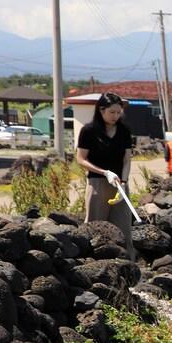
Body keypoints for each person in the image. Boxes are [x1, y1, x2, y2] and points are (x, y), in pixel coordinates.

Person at [76, 92, 135, 261]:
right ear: (101, 110)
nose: (116, 116)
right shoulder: (89, 131)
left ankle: (128, 269)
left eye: (118, 112)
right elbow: (81, 159)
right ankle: (92, 265)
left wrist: (123, 182)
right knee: (95, 227)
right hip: (98, 183)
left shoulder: (124, 131)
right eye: (112, 112)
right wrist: (104, 172)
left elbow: (126, 159)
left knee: (124, 229)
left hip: (120, 185)